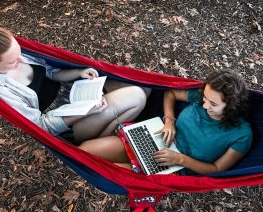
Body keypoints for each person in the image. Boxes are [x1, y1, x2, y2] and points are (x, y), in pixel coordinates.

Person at [0, 20, 151, 144]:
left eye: (20, 52)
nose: (21, 60)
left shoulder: (15, 53)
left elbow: (50, 72)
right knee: (137, 96)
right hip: (65, 121)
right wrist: (87, 110)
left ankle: (108, 132)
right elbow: (40, 127)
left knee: (146, 86)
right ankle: (97, 144)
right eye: (13, 62)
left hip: (76, 92)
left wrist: (79, 72)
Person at [79, 69, 253, 175]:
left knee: (101, 170)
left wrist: (180, 159)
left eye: (213, 103)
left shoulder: (241, 134)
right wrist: (169, 120)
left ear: (231, 106)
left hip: (174, 167)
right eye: (205, 98)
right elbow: (171, 93)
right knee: (83, 152)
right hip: (156, 139)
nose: (205, 104)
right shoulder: (201, 99)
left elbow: (217, 169)